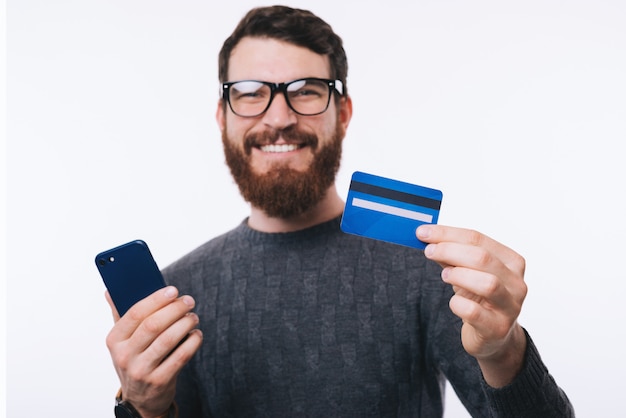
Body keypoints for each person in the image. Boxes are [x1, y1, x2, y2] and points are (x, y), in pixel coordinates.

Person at [105, 5, 574, 417]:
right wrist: (143, 409)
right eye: (249, 92)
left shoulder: (424, 268)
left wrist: (504, 352)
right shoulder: (173, 295)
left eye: (306, 89)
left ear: (343, 113)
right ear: (222, 116)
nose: (278, 117)